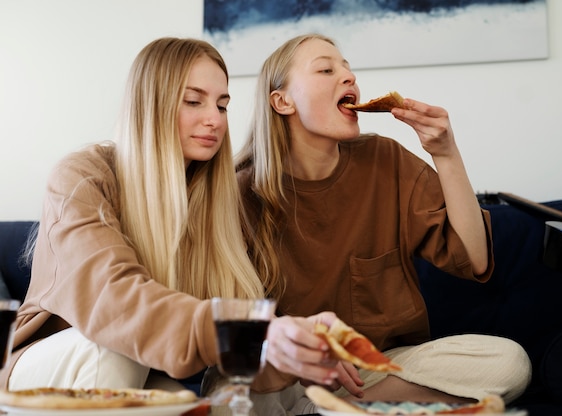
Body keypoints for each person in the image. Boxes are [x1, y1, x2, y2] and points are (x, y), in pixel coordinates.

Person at [0, 38, 341, 410]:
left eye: (222, 105)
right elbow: (116, 302)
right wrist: (243, 328)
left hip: (138, 368)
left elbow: (237, 332)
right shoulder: (82, 178)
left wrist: (298, 345)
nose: (215, 119)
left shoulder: (215, 201)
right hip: (37, 369)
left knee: (209, 395)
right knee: (114, 352)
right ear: (152, 103)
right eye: (194, 101)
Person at [235, 33, 532, 410]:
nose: (349, 78)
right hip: (290, 373)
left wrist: (445, 152)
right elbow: (231, 326)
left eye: (348, 69)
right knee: (232, 384)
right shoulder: (239, 193)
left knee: (509, 364)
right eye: (326, 69)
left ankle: (334, 411)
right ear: (282, 101)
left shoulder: (385, 160)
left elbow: (474, 257)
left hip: (380, 371)